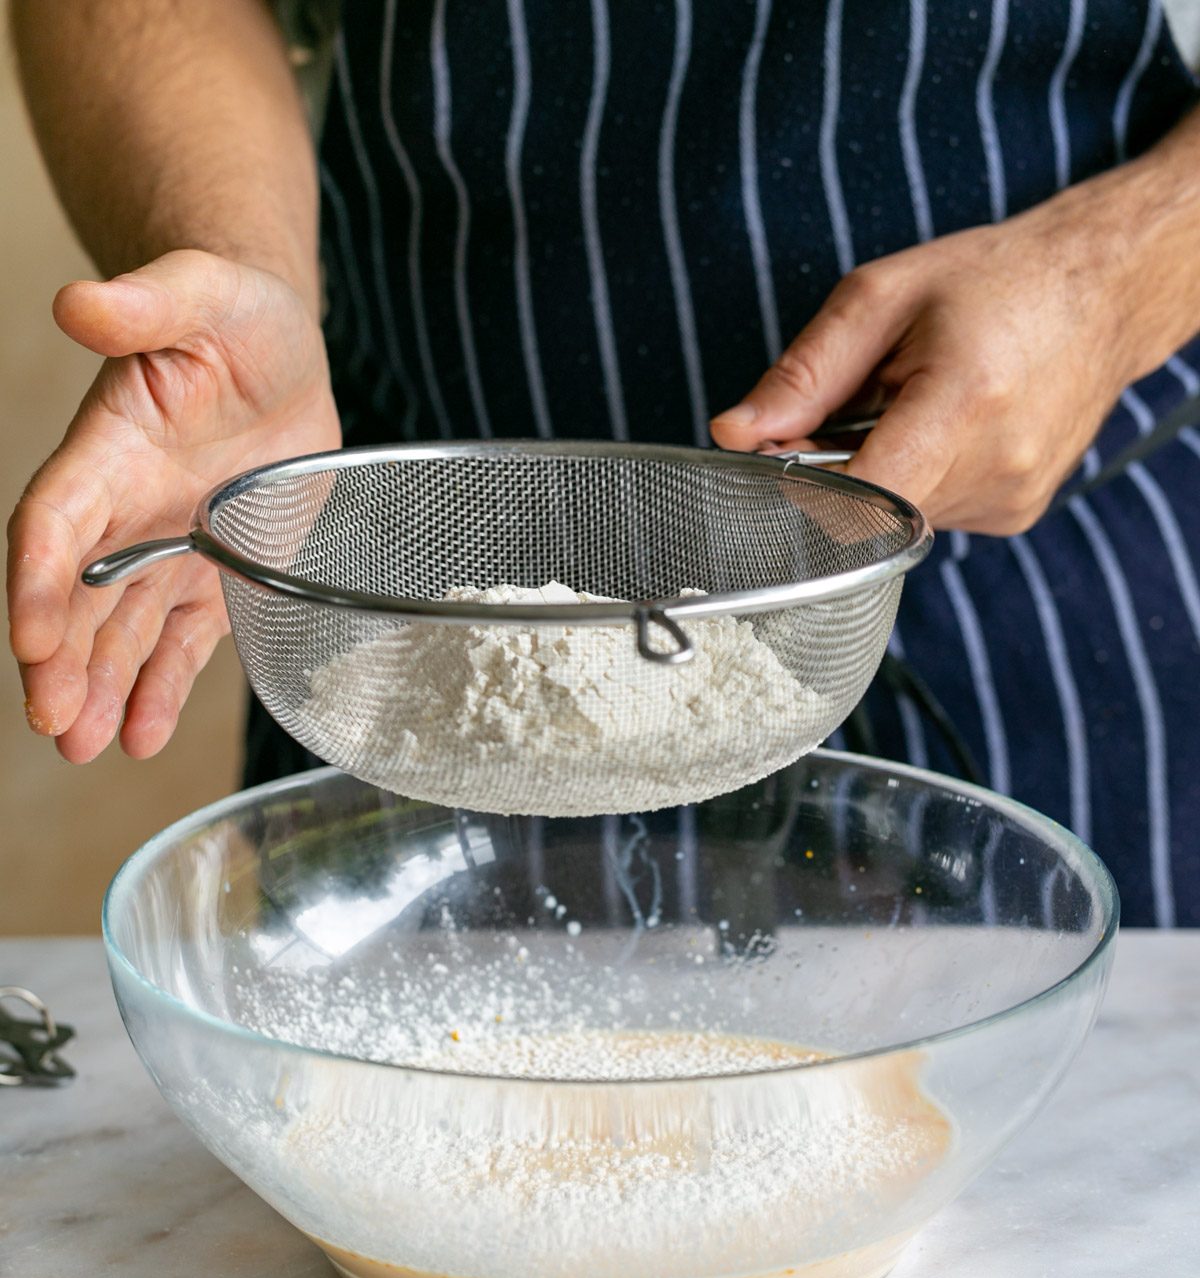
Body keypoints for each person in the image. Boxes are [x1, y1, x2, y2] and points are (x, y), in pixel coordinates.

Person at [7, 1, 1200, 925]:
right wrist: (232, 263)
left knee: (1060, 1209)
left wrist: (1114, 277)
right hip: (399, 595)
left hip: (1030, 588)